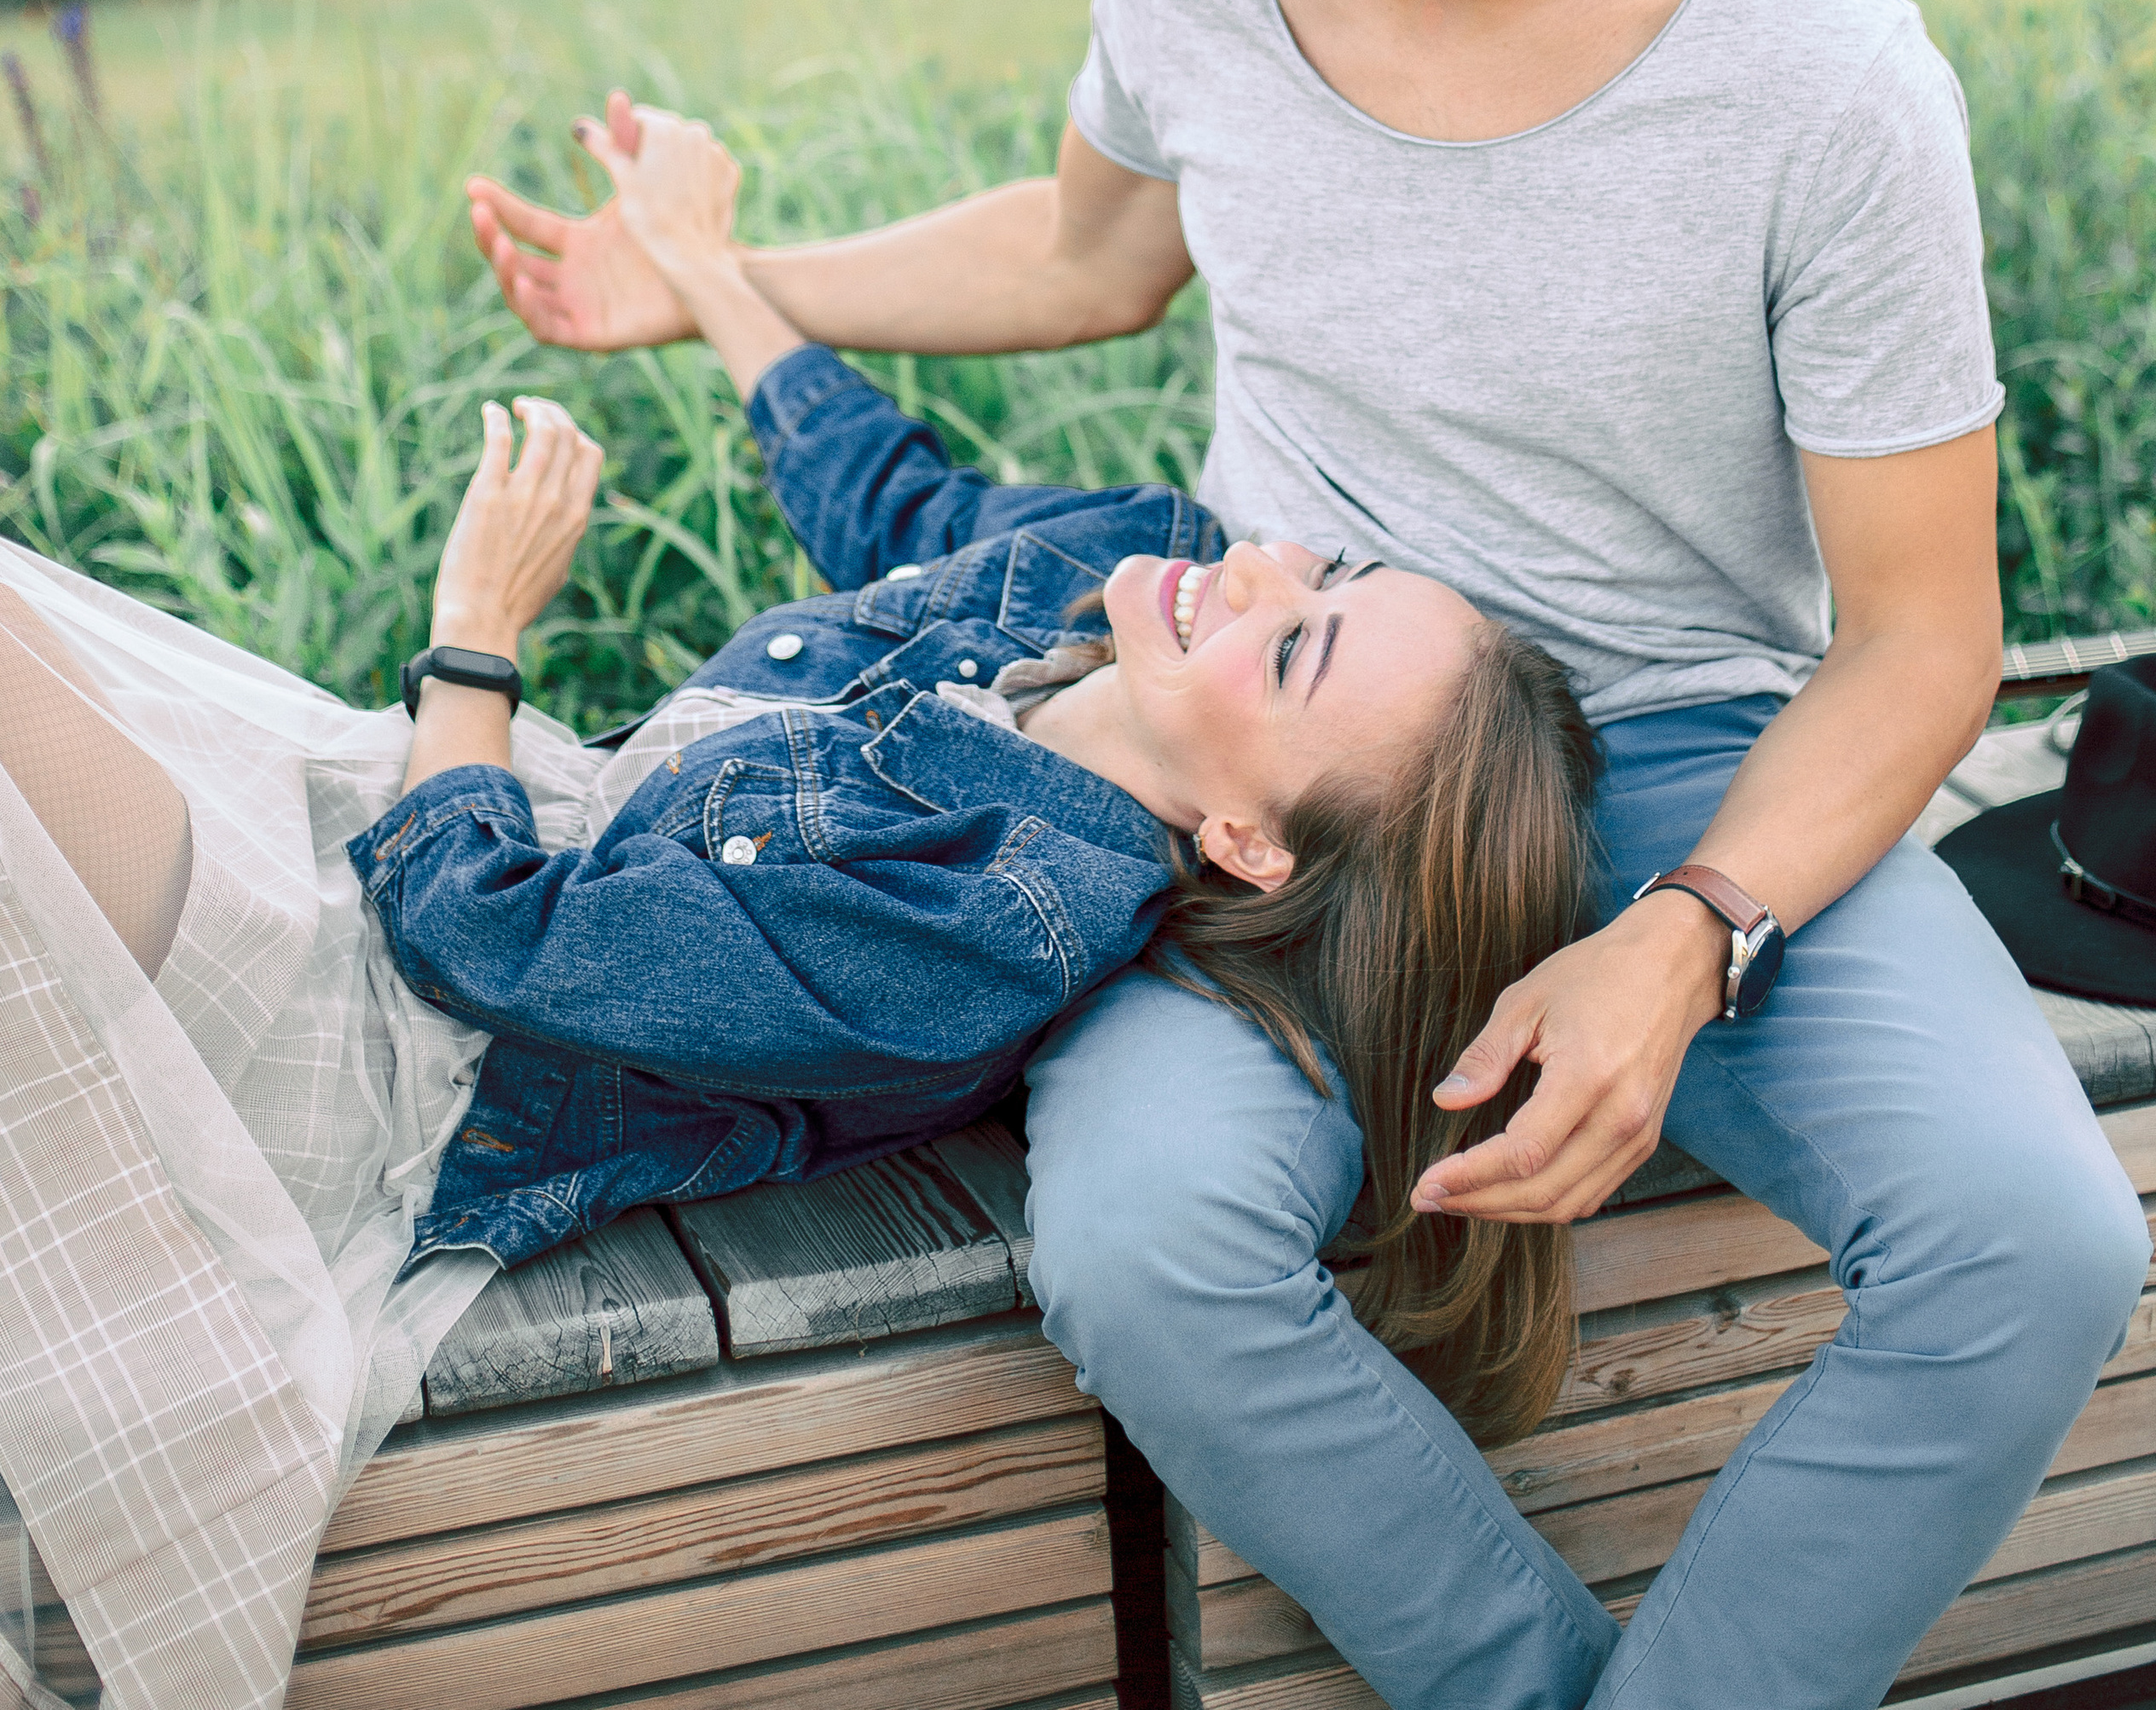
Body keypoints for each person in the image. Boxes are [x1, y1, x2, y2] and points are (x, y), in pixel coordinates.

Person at [471, 0, 2153, 1710]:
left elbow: (1926, 644)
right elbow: (1086, 259)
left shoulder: (1825, 82)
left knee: (2034, 1244)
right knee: (1151, 1254)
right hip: (1283, 778)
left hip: (1677, 765)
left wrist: (1678, 946)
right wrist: (727, 288)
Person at [0, 109, 1595, 1699]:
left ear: (1249, 842)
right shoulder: (1124, 566)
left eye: (1299, 647)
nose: (1267, 573)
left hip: (376, 1040)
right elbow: (887, 499)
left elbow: (485, 939)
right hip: (383, 827)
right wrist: (706, 271)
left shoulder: (988, 926)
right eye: (1334, 578)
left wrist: (474, 631)